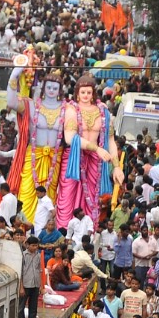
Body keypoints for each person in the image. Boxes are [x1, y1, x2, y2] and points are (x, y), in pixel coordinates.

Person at [58, 75, 122, 228]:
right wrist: (97, 149)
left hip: (95, 162)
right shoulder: (71, 110)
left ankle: (89, 234)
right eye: (82, 92)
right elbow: (70, 138)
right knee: (67, 199)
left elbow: (110, 141)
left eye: (89, 92)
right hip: (74, 159)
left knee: (93, 200)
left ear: (94, 93)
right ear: (77, 93)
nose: (86, 96)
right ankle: (65, 232)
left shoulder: (103, 112)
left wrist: (117, 166)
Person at [6, 66, 67, 223]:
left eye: (55, 88)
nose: (52, 90)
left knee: (50, 194)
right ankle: (24, 226)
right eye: (49, 87)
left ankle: (44, 228)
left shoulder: (67, 109)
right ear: (43, 88)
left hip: (55, 158)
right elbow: (12, 103)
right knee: (26, 191)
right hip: (33, 156)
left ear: (60, 90)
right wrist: (14, 74)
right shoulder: (31, 106)